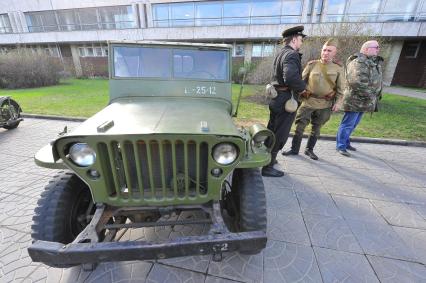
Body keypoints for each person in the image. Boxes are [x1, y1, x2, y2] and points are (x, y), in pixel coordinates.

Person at [282, 39, 345, 160]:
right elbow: (301, 81)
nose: (325, 53)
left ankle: (309, 150)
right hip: (308, 102)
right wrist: (297, 97)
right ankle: (294, 149)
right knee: (299, 127)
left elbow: (341, 88)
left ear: (335, 52)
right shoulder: (312, 65)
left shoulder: (338, 68)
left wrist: (338, 103)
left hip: (325, 104)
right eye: (324, 50)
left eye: (329, 50)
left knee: (316, 128)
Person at [262, 26, 309, 177]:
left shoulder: (280, 53)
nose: (301, 42)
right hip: (285, 101)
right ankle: (268, 167)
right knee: (280, 133)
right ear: (294, 39)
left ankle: (266, 160)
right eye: (301, 39)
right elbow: (290, 77)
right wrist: (303, 89)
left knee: (272, 130)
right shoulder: (291, 54)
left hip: (277, 98)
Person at [336, 40, 383, 157]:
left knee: (353, 124)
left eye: (378, 47)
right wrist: (372, 94)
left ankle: (346, 142)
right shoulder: (359, 62)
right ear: (366, 49)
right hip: (354, 100)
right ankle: (340, 146)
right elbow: (356, 83)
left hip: (364, 100)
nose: (378, 49)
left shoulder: (372, 62)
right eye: (376, 47)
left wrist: (375, 93)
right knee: (348, 124)